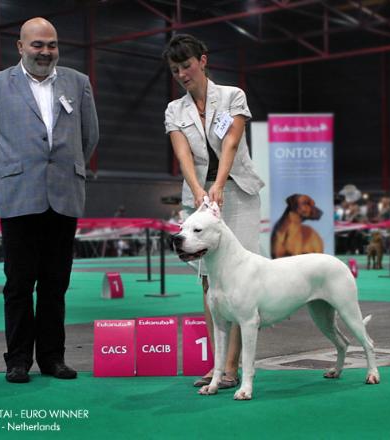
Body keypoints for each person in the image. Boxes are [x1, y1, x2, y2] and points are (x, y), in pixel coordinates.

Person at [0, 17, 99, 383]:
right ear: (20, 47)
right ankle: (18, 359)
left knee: (56, 283)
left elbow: (89, 137)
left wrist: (64, 169)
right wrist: (11, 171)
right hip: (18, 195)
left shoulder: (78, 83)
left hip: (64, 196)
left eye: (51, 44)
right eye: (38, 45)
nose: (45, 51)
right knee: (19, 283)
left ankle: (53, 358)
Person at [163, 34, 264, 388]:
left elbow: (232, 142)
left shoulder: (233, 96)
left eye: (187, 66)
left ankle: (234, 366)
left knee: (242, 280)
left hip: (237, 193)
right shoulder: (175, 110)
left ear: (203, 60)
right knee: (209, 281)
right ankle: (217, 367)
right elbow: (183, 155)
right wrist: (197, 191)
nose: (182, 74)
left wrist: (219, 184)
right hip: (198, 200)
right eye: (176, 70)